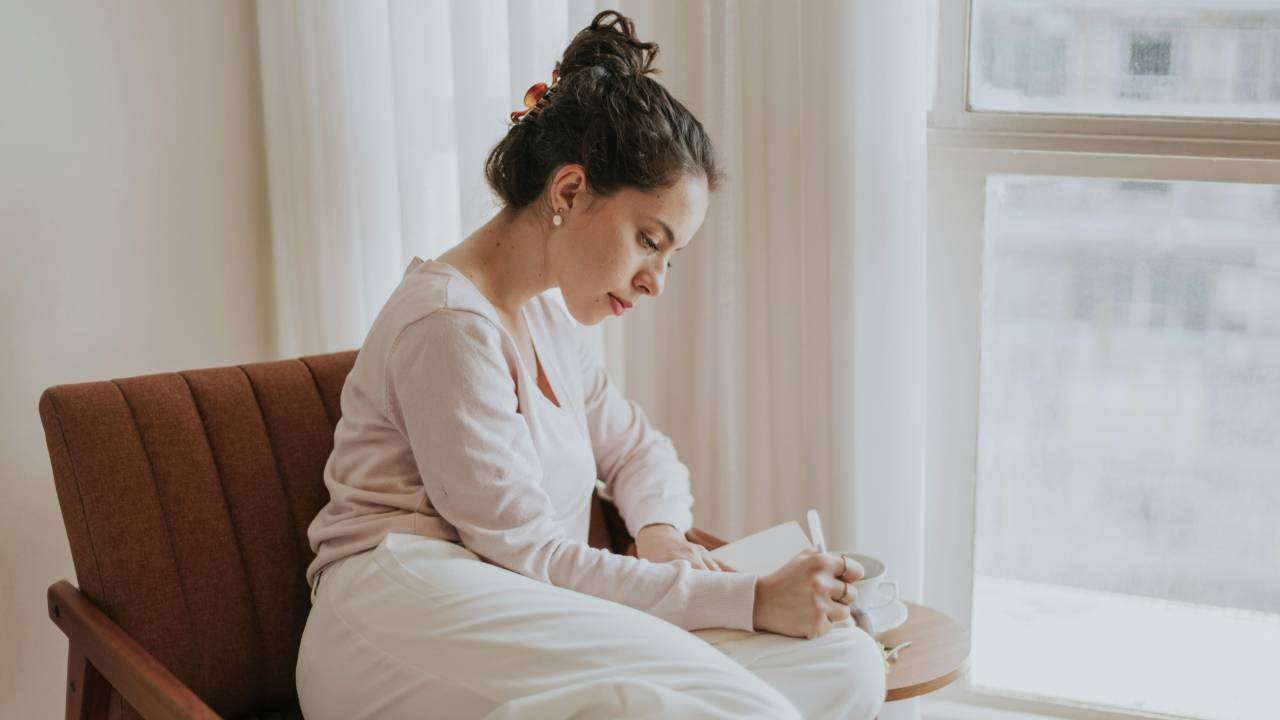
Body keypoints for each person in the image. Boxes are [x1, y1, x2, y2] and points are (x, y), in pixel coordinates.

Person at [295, 10, 887, 719]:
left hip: (521, 597)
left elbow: (638, 452)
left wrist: (664, 536)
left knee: (842, 662)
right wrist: (751, 597)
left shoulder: (546, 314)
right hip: (406, 604)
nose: (655, 281)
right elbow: (531, 553)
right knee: (734, 705)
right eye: (648, 240)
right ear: (570, 191)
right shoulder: (448, 325)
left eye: (671, 257)